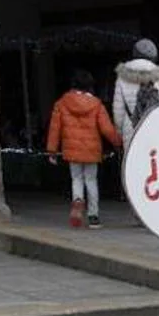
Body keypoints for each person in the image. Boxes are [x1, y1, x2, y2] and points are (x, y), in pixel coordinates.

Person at [45, 69, 120, 229]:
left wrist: (52, 150)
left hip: (71, 150)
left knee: (77, 179)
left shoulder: (62, 103)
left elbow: (55, 128)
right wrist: (118, 142)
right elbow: (107, 129)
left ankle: (78, 200)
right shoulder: (97, 104)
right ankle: (93, 216)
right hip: (92, 150)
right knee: (91, 180)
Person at [114, 38, 159, 153]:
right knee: (154, 164)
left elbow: (118, 109)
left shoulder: (122, 76)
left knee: (133, 165)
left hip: (131, 128)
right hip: (156, 128)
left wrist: (119, 131)